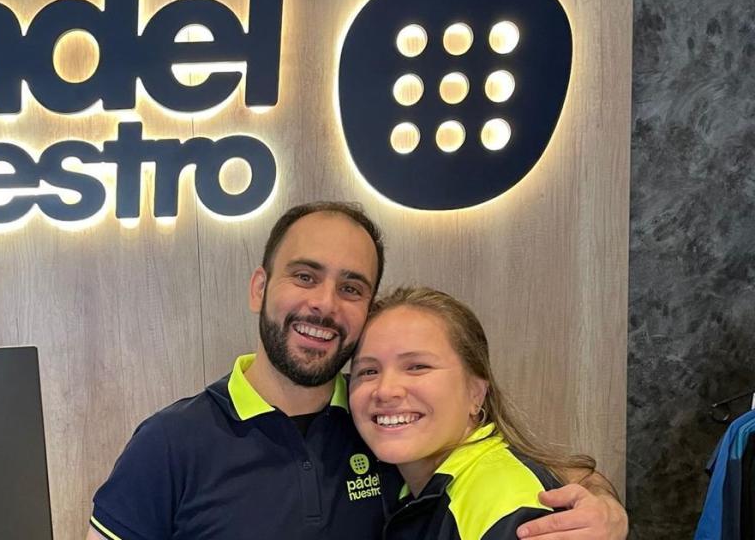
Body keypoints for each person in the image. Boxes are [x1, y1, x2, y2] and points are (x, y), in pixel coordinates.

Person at [87, 201, 627, 540]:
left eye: (351, 287)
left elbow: (542, 473)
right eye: (304, 276)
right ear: (260, 288)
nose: (324, 304)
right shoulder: (170, 442)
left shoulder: (387, 423)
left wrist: (605, 511)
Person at [350, 286, 604, 539]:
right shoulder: (418, 486)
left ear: (476, 392)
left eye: (417, 366)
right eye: (368, 371)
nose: (385, 390)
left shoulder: (506, 504)